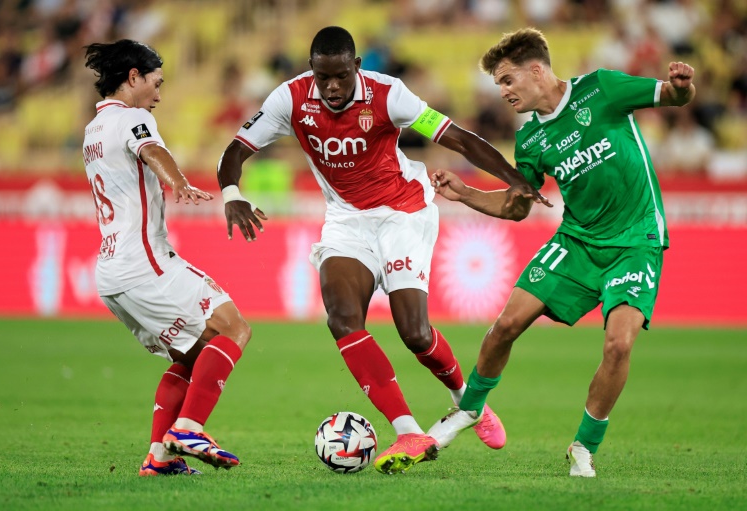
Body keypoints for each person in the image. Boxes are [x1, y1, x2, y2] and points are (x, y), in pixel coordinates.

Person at [216, 26, 550, 475]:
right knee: (341, 317)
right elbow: (234, 152)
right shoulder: (290, 99)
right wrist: (232, 194)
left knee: (413, 332)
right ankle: (408, 430)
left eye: (340, 77)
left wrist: (513, 177)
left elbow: (457, 138)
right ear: (312, 71)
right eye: (322, 78)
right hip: (346, 220)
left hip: (403, 213)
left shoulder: (388, 94)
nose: (332, 88)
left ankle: (467, 402)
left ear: (357, 67)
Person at [427, 27, 696, 477]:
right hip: (575, 243)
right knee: (505, 324)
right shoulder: (531, 139)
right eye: (499, 84)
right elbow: (517, 206)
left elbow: (672, 96)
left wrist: (682, 87)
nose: (504, 91)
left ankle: (583, 448)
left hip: (635, 241)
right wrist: (466, 194)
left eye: (508, 80)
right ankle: (468, 410)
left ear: (537, 70)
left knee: (618, 344)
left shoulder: (603, 88)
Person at [83, 39, 251, 476]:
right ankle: (190, 428)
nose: (158, 95)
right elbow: (151, 150)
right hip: (146, 261)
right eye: (155, 84)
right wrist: (177, 181)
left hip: (111, 274)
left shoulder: (92, 131)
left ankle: (159, 458)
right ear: (133, 78)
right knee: (234, 327)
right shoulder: (132, 118)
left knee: (191, 357)